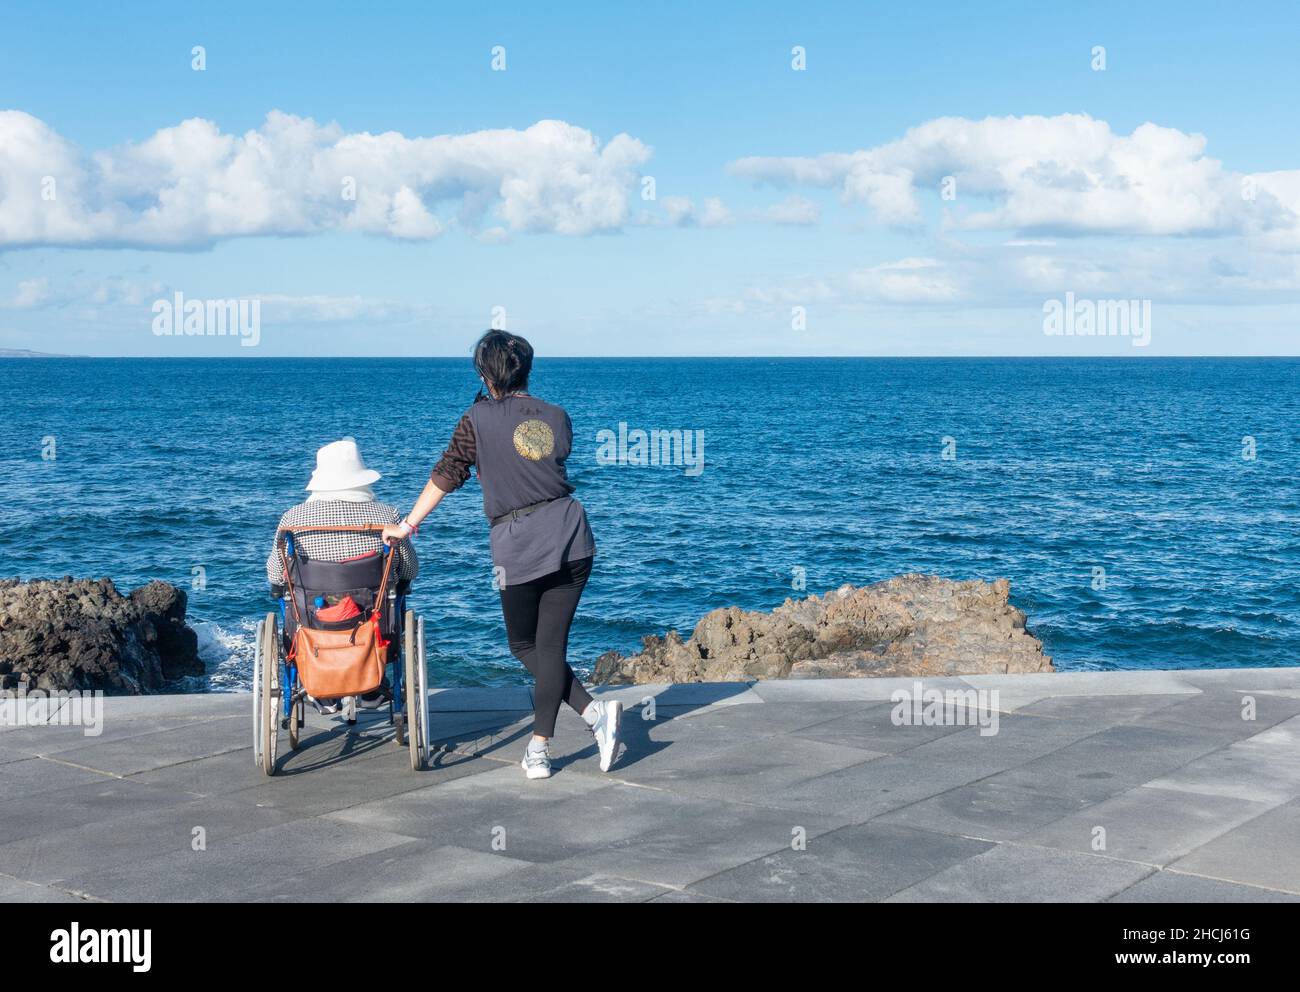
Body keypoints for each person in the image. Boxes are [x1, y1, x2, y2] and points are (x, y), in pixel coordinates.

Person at [383, 330, 620, 780]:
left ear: (484, 373)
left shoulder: (475, 419)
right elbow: (544, 453)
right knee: (548, 647)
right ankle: (586, 722)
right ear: (526, 370)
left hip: (520, 544)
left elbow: (448, 473)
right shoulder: (558, 416)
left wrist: (407, 525)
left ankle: (546, 745)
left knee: (525, 645)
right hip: (572, 536)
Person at [267, 437, 419, 714]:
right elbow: (409, 568)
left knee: (289, 597)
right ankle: (373, 687)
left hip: (313, 624)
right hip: (373, 625)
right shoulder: (388, 515)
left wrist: (280, 587)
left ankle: (322, 689)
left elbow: (276, 574)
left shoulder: (293, 519)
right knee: (392, 594)